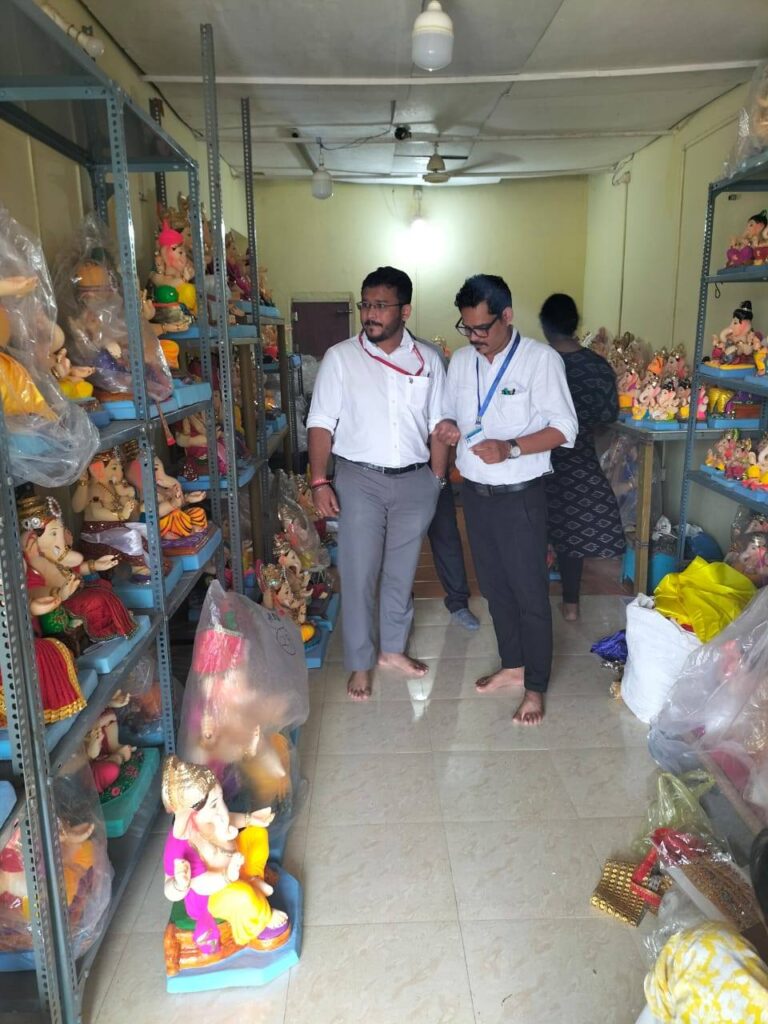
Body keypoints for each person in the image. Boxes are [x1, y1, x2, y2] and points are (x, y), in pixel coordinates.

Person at [434, 274, 577, 725]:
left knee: (529, 593)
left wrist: (511, 448)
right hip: (476, 496)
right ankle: (513, 666)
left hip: (521, 499)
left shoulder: (540, 361)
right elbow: (451, 413)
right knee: (495, 589)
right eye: (467, 327)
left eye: (482, 327)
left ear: (507, 316)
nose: (474, 337)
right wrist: (449, 427)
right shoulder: (461, 361)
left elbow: (565, 428)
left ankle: (535, 687)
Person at [307, 266, 448, 700]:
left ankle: (392, 650)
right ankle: (359, 662)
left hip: (415, 482)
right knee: (358, 571)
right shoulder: (341, 358)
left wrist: (437, 480)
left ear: (405, 311)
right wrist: (319, 480)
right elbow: (320, 423)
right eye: (365, 304)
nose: (369, 314)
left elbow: (439, 423)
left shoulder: (428, 360)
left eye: (380, 306)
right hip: (359, 479)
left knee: (402, 572)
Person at [538, 293, 626, 621]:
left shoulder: (539, 363)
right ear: (575, 324)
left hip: (536, 458)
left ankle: (534, 602)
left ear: (545, 326)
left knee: (534, 530)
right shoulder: (598, 367)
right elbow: (607, 418)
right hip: (579, 459)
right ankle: (571, 604)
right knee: (571, 530)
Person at [417, 337, 479, 632]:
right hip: (392, 469)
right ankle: (398, 608)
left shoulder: (430, 356)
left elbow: (446, 417)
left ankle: (458, 601)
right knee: (395, 544)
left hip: (432, 463)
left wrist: (441, 472)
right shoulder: (363, 354)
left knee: (445, 533)